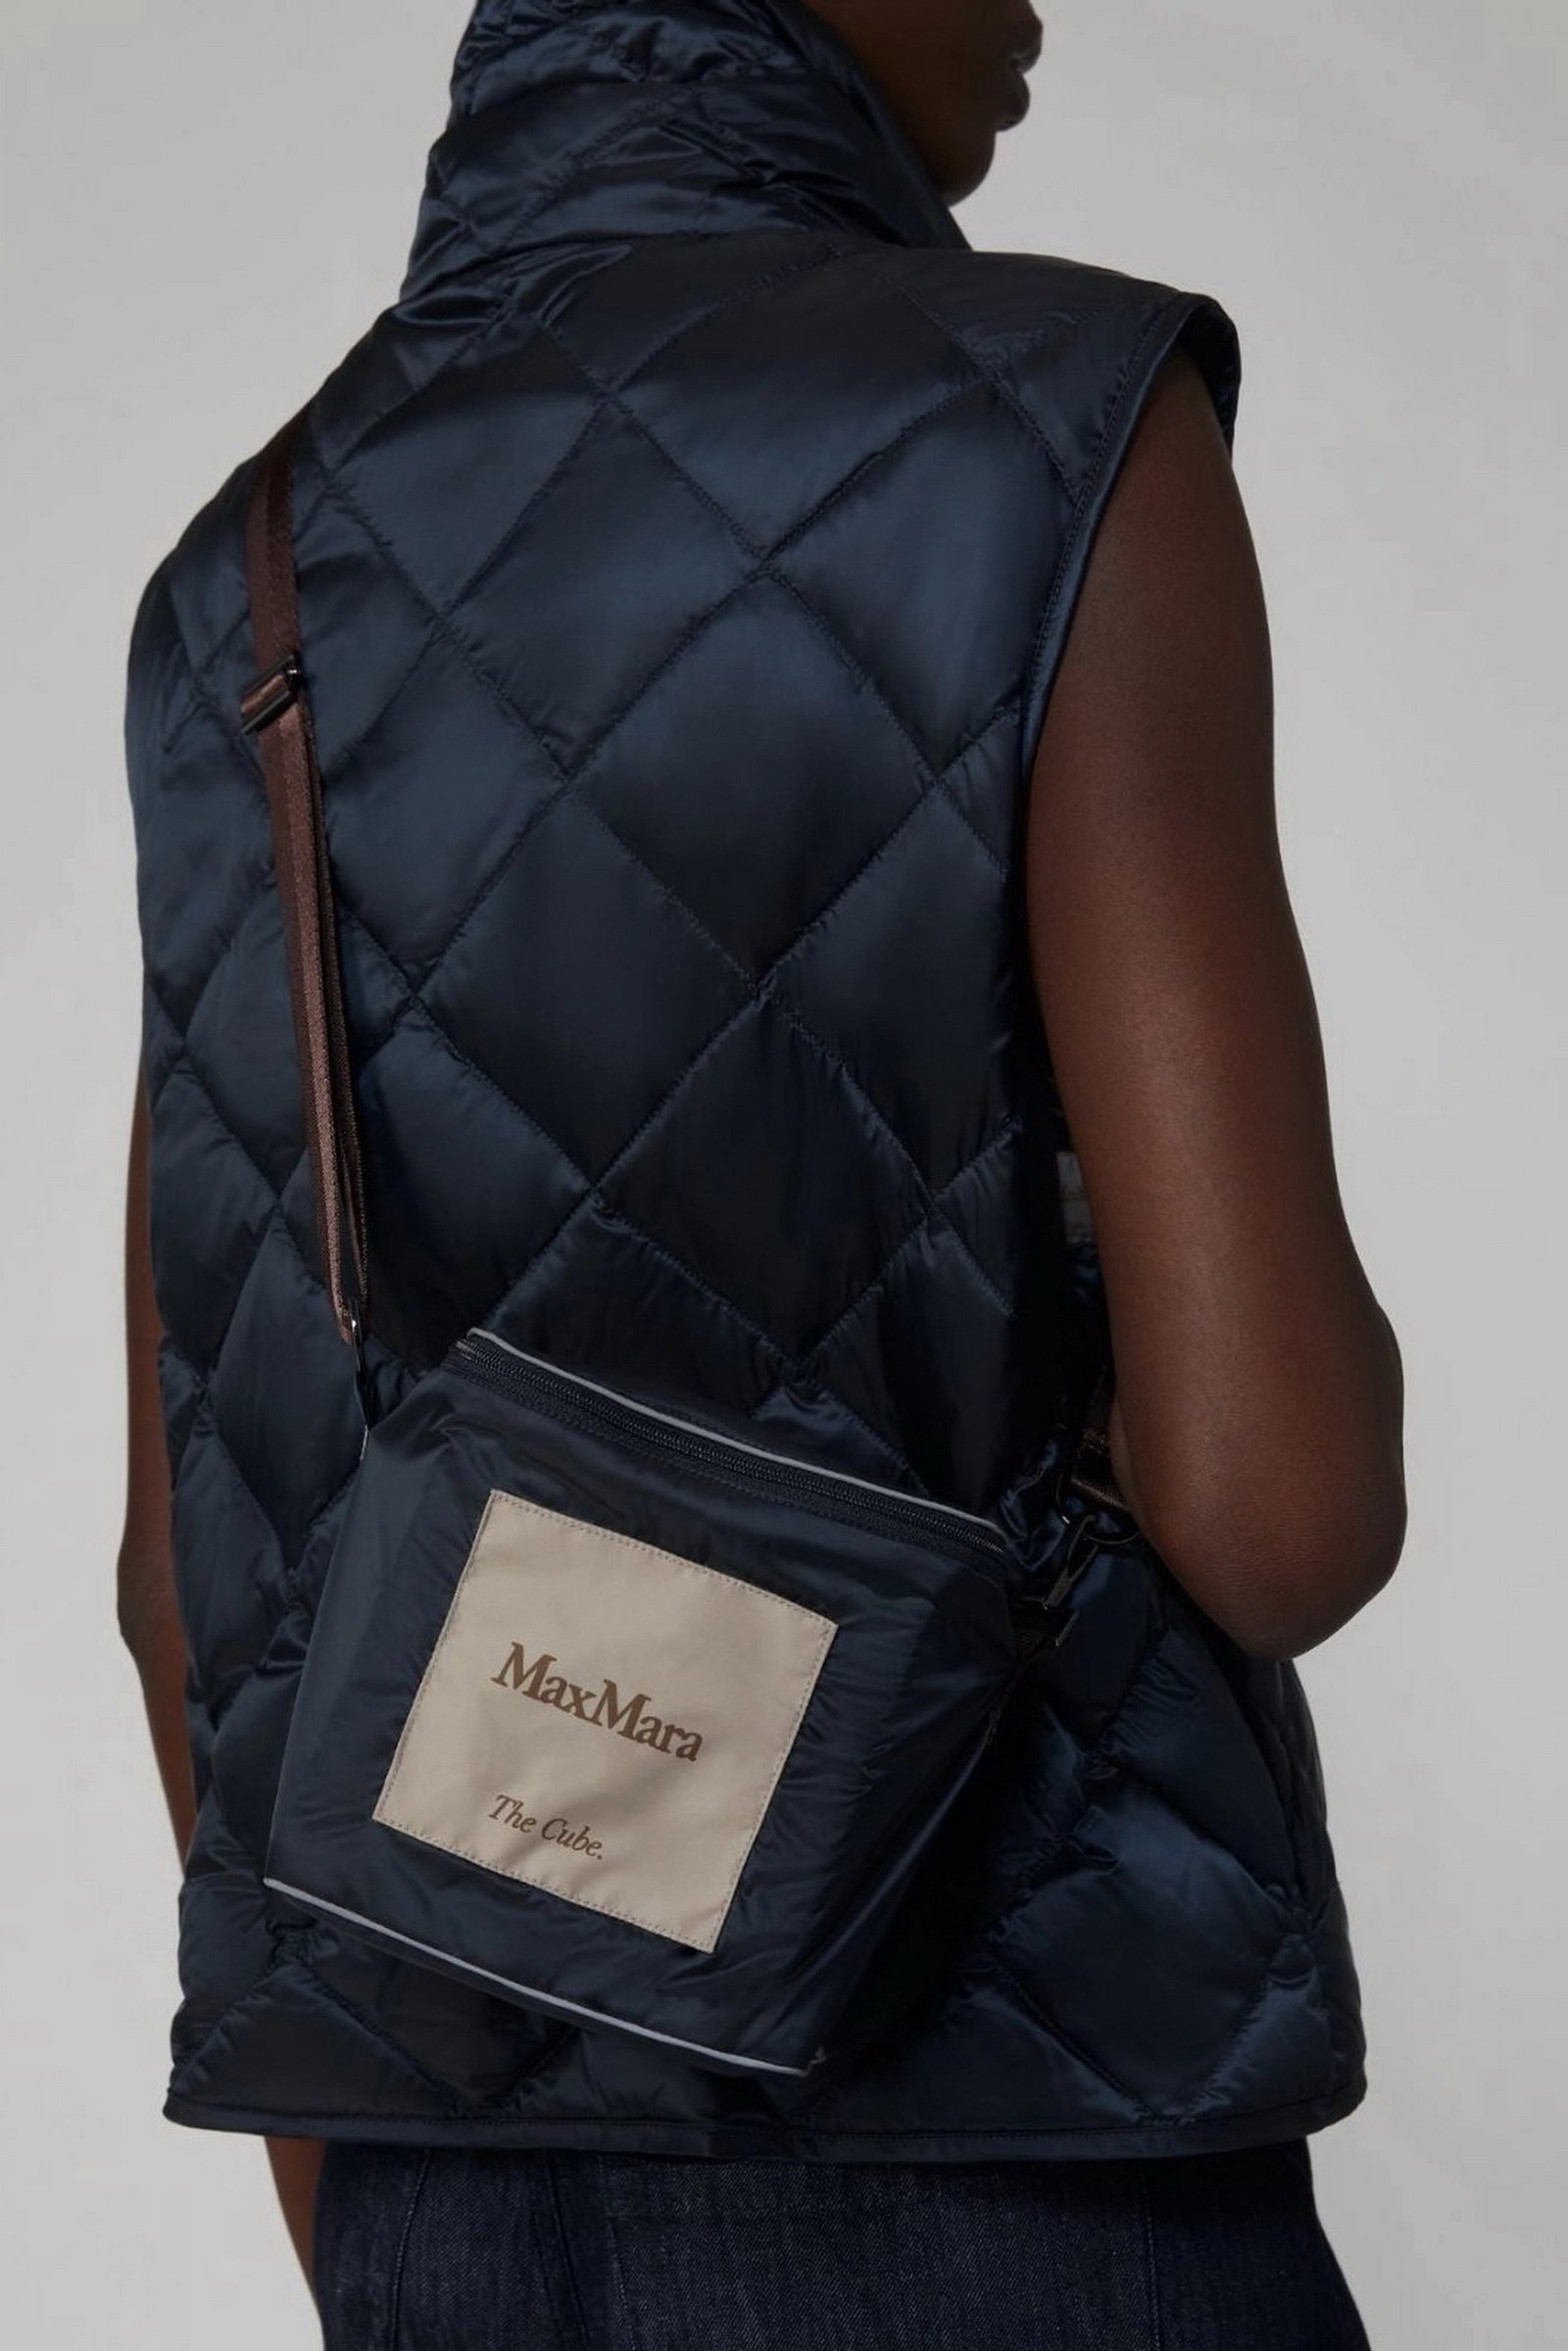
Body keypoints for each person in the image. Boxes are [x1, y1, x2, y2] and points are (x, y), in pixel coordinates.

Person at [118, 1, 1404, 2342]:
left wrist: (389, 2217)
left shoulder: (250, 555)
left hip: (443, 2201)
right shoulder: (1057, 425)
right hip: (1035, 2203)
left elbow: (177, 1587)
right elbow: (1280, 1504)